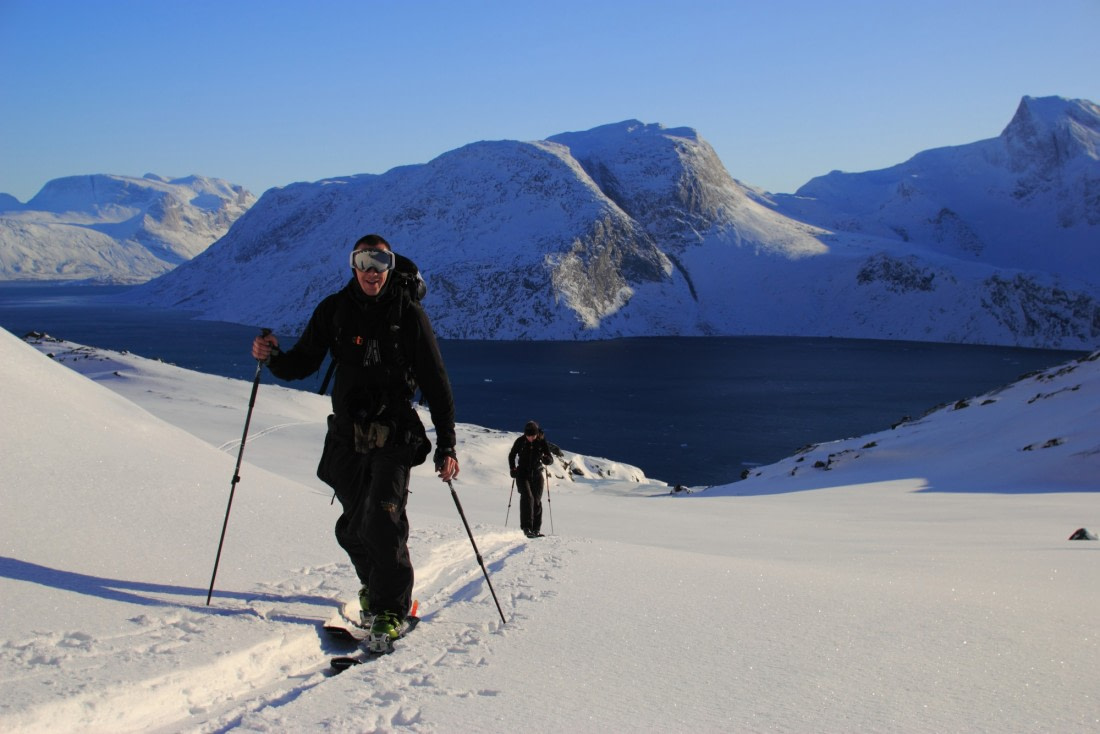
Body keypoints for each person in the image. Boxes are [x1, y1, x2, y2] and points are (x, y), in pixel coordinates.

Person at [251, 233, 458, 650]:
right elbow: (302, 363)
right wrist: (271, 357)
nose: (371, 271)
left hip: (394, 435)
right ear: (352, 264)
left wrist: (447, 445)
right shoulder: (335, 311)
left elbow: (436, 383)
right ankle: (375, 590)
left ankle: (390, 610)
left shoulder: (409, 315)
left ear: (390, 266)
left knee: (383, 522)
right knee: (352, 529)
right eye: (364, 261)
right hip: (347, 437)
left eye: (380, 262)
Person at [508, 420, 553, 538]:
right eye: (528, 436)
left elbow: (550, 458)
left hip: (537, 474)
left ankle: (536, 529)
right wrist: (513, 469)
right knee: (527, 498)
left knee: (537, 501)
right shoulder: (520, 441)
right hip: (522, 474)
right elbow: (512, 455)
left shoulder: (542, 442)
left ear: (537, 434)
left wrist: (546, 460)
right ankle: (527, 528)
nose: (530, 438)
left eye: (532, 436)